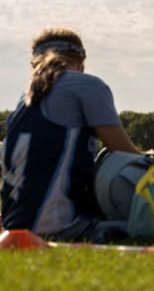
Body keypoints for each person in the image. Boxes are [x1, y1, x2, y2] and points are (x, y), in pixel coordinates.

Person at [1, 28, 140, 241]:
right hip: (59, 227)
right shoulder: (86, 85)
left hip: (16, 228)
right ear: (81, 62)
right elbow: (125, 153)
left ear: (34, 64)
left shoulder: (24, 101)